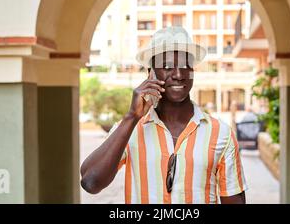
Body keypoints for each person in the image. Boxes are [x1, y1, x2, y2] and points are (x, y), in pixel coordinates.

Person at [80, 26, 247, 204]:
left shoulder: (221, 133)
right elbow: (91, 182)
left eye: (185, 65)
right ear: (150, 74)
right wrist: (131, 117)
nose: (178, 74)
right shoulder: (130, 129)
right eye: (167, 66)